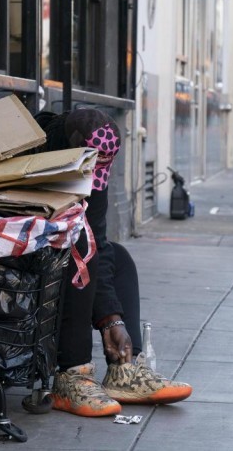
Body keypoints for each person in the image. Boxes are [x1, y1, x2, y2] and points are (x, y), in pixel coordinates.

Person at [33, 109, 192, 417]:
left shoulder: (95, 173)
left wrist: (112, 320)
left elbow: (98, 239)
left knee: (116, 256)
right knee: (79, 252)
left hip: (71, 254)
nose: (98, 175)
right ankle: (72, 375)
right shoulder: (40, 156)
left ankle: (123, 368)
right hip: (30, 260)